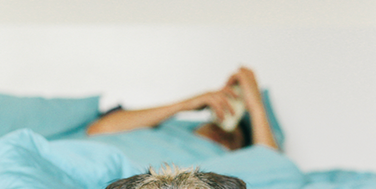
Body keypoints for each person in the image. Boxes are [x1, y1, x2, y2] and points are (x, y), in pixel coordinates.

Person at [86, 67, 279, 151]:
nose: (221, 135)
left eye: (232, 140)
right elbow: (99, 130)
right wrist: (185, 105)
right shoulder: (166, 129)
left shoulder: (222, 164)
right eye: (217, 128)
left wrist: (255, 105)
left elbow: (272, 164)